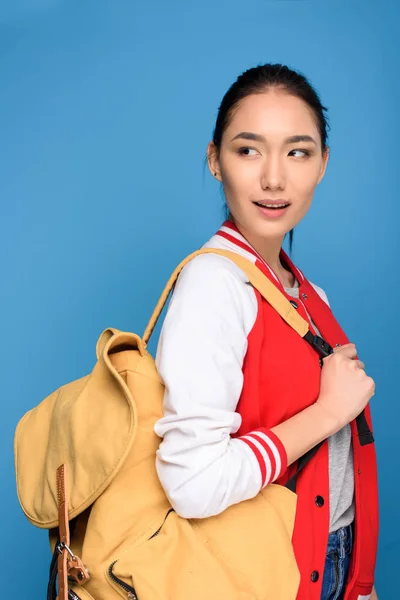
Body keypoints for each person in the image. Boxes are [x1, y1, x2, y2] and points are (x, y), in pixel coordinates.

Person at [153, 63, 379, 600]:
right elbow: (192, 483)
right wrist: (327, 412)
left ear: (323, 164)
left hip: (326, 563)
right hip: (263, 571)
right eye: (248, 150)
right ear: (215, 161)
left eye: (298, 151)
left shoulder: (305, 294)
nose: (274, 178)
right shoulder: (215, 281)